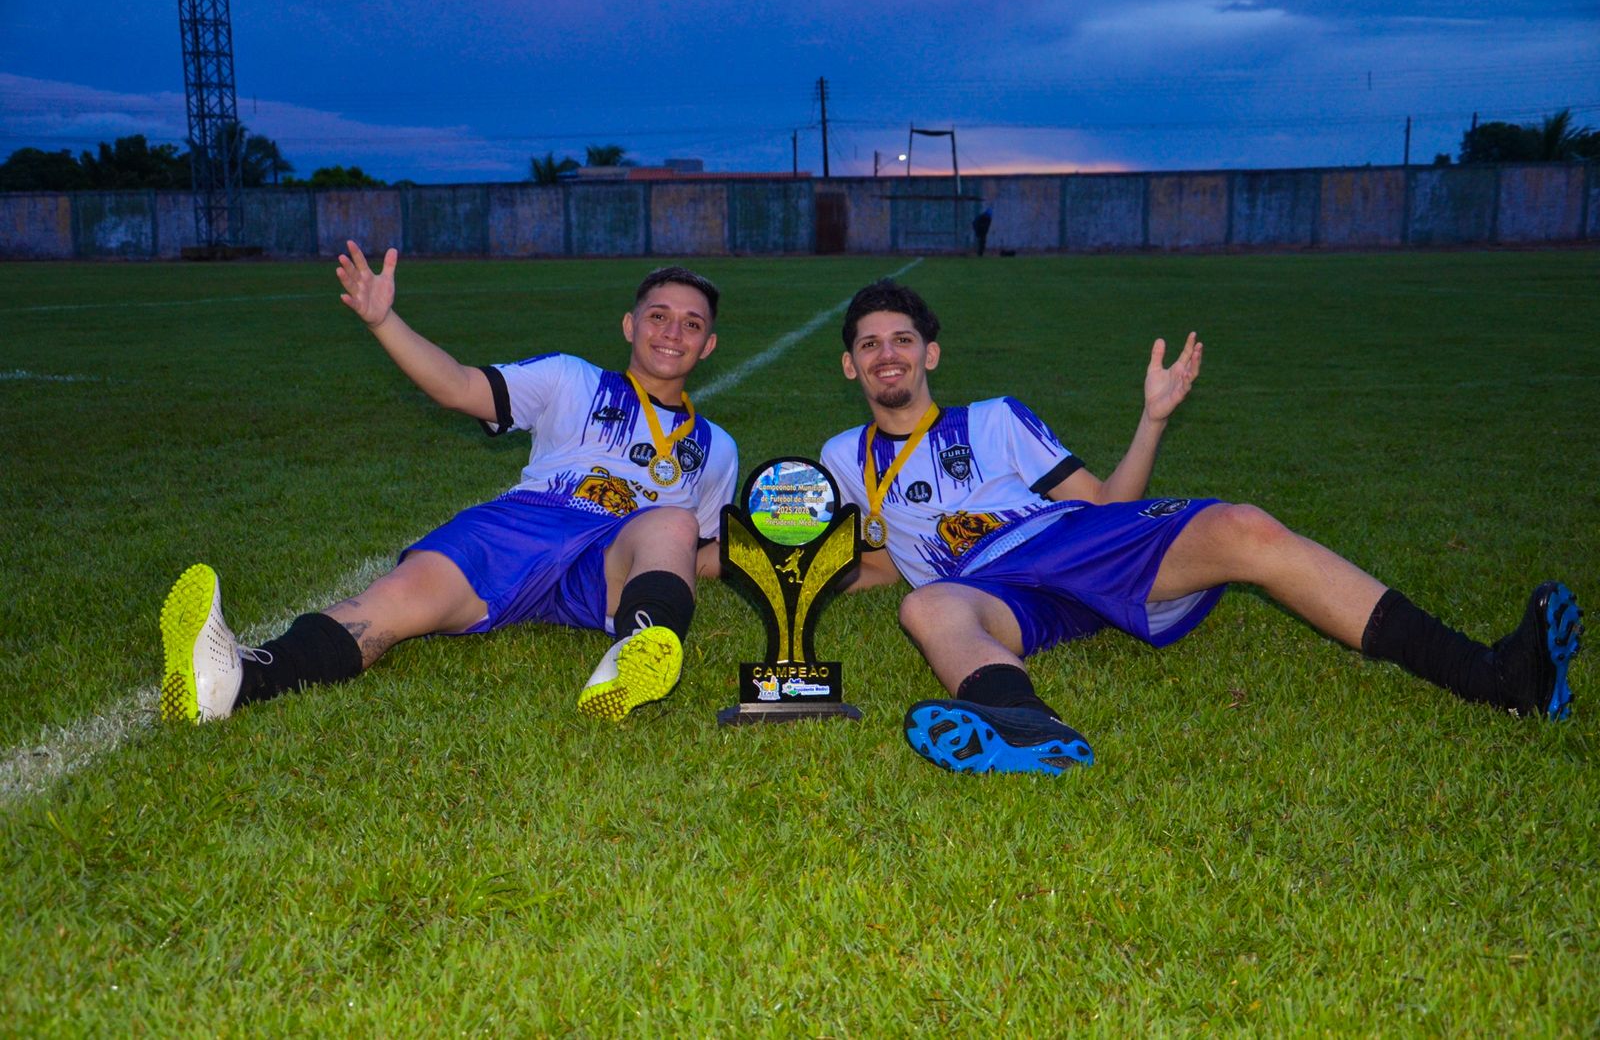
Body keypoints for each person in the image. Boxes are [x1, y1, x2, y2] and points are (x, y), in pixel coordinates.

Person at [819, 280, 1582, 775]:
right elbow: (879, 564)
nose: (888, 355)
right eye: (870, 344)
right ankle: (1021, 724)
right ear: (851, 365)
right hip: (992, 592)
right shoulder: (840, 458)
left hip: (1069, 539)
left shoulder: (995, 419)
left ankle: (1498, 677)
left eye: (902, 339)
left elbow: (1106, 501)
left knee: (1246, 528)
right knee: (926, 605)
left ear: (930, 352)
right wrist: (770, 564)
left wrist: (1151, 421)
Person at [159, 242, 737, 724]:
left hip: (612, 559)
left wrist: (772, 545)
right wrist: (383, 321)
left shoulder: (717, 446)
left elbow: (699, 555)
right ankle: (237, 680)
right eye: (658, 316)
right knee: (391, 605)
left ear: (708, 345)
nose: (672, 332)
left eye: (692, 324)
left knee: (674, 522)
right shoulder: (571, 378)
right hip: (525, 521)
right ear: (631, 324)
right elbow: (458, 386)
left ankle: (634, 651)